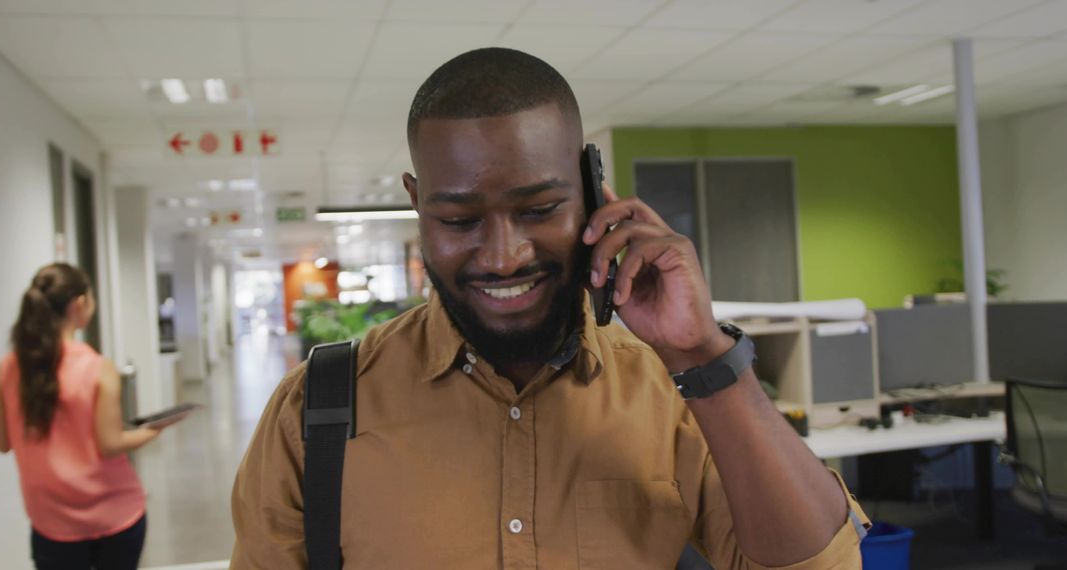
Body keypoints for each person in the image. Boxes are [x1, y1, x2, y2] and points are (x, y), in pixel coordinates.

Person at [231, 48, 869, 569]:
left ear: (593, 192)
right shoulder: (317, 407)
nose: (504, 256)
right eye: (459, 219)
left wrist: (702, 355)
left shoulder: (671, 390)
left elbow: (823, 565)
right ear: (417, 202)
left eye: (539, 210)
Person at [0, 263, 176, 569]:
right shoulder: (96, 366)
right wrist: (154, 430)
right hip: (113, 514)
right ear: (79, 304)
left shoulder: (8, 368)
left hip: (50, 522)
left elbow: (1, 442)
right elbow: (110, 443)